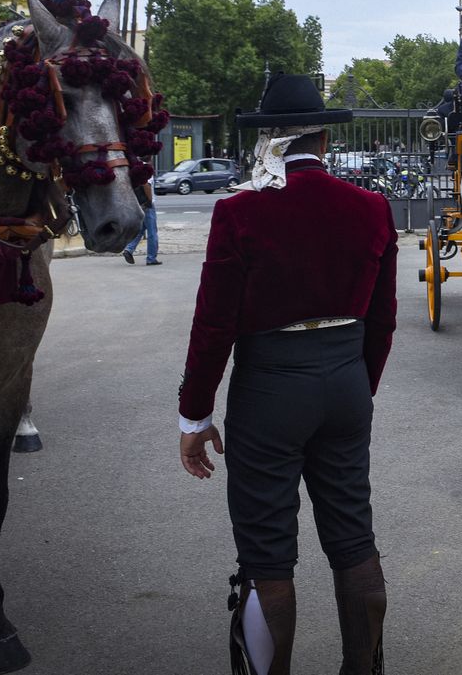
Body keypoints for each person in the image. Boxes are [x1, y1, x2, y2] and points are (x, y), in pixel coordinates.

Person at [177, 73, 396, 675]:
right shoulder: (372, 207)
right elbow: (382, 322)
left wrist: (195, 416)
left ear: (269, 139)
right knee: (353, 538)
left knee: (268, 554)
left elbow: (212, 326)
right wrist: (358, 389)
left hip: (269, 389)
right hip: (346, 383)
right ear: (325, 140)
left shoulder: (239, 211)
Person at [123, 175, 161, 266]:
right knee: (152, 232)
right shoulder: (146, 171)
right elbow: (146, 184)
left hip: (138, 203)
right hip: (146, 204)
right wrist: (150, 200)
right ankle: (151, 258)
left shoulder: (135, 170)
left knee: (141, 229)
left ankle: (129, 249)